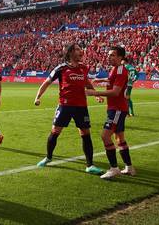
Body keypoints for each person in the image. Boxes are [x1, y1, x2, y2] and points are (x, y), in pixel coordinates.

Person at [33, 44, 104, 175]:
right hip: (65, 106)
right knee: (55, 132)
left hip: (81, 106)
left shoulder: (84, 68)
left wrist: (97, 95)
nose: (80, 51)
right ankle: (48, 157)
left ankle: (90, 165)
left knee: (85, 134)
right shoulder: (61, 68)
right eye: (77, 49)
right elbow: (46, 82)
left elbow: (87, 84)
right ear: (70, 52)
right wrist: (38, 97)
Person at [86, 46, 136, 179]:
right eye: (109, 55)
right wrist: (101, 80)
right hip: (116, 108)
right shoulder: (115, 69)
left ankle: (114, 168)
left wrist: (94, 92)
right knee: (119, 138)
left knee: (105, 136)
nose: (109, 57)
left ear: (120, 57)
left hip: (118, 109)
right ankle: (129, 167)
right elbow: (111, 81)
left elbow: (115, 92)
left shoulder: (120, 70)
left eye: (113, 55)